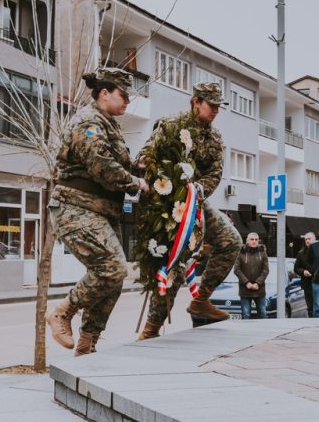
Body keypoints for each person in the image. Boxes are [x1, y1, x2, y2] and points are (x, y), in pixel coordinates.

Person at [45, 68, 149, 356]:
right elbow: (101, 165)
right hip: (75, 207)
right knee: (112, 268)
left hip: (101, 210)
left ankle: (87, 343)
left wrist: (141, 166)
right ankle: (62, 312)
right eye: (123, 95)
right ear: (104, 93)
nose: (127, 101)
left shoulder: (108, 124)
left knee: (113, 279)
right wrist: (136, 182)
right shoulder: (89, 121)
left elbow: (119, 162)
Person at [137, 82, 243, 339]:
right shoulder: (170, 125)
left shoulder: (215, 137)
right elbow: (144, 158)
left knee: (231, 240)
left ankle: (201, 299)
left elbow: (215, 173)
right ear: (196, 102)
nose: (216, 110)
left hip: (195, 202)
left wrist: (198, 189)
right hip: (167, 204)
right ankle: (151, 329)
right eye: (211, 105)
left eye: (218, 106)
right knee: (173, 265)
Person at [233, 232, 269, 319]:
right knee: (246, 315)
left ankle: (264, 329)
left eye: (256, 239)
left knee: (263, 314)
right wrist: (247, 283)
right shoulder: (241, 252)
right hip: (245, 290)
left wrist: (258, 283)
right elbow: (237, 270)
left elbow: (265, 270)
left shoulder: (262, 252)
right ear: (247, 240)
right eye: (252, 239)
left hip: (259, 289)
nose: (254, 241)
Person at [293, 232, 316, 317]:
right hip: (307, 284)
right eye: (306, 239)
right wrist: (303, 272)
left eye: (309, 239)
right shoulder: (301, 253)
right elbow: (296, 268)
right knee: (310, 307)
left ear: (314, 240)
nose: (307, 241)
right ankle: (312, 321)